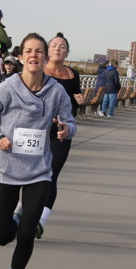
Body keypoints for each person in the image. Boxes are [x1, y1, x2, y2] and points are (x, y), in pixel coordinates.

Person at [0, 33, 75, 269]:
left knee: (28, 230)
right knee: (1, 236)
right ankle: (16, 220)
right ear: (20, 57)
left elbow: (70, 122)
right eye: (29, 51)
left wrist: (65, 130)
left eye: (39, 51)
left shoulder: (56, 91)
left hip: (39, 171)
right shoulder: (7, 88)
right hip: (7, 169)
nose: (34, 55)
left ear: (45, 57)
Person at [40, 32, 83, 236]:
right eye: (54, 45)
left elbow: (73, 101)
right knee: (30, 173)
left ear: (67, 52)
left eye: (62, 46)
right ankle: (22, 209)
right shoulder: (38, 71)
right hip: (38, 129)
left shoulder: (72, 74)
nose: (58, 48)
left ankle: (40, 220)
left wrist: (80, 101)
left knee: (52, 172)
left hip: (61, 131)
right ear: (48, 50)